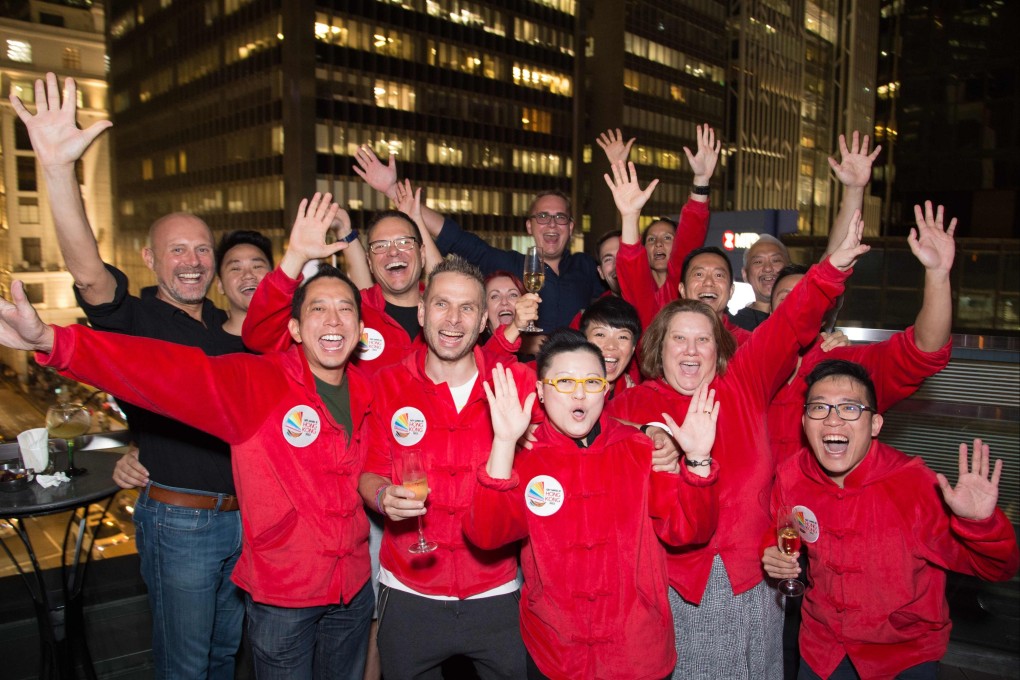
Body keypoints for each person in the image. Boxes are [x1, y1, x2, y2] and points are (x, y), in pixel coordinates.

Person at [0, 225, 379, 679]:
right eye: (318, 309)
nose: (334, 321)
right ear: (295, 327)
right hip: (285, 597)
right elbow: (163, 372)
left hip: (354, 590)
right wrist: (53, 341)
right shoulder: (259, 381)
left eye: (345, 311)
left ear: (360, 330)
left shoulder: (368, 391)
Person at [11, 72, 247, 677]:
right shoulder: (134, 317)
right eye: (177, 250)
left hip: (245, 520)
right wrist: (59, 170)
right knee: (186, 665)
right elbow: (88, 273)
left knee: (224, 658)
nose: (192, 262)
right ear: (149, 258)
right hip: (182, 523)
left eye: (201, 251)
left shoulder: (228, 327)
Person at [606, 212, 869, 678]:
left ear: (719, 346)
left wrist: (833, 269)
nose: (690, 350)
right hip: (682, 585)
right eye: (678, 339)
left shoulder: (743, 382)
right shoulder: (633, 404)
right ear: (658, 348)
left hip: (760, 574)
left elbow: (789, 324)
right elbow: (606, 470)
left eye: (703, 340)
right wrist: (644, 445)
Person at [462, 331, 720, 680]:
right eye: (564, 381)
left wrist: (700, 460)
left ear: (606, 389)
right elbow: (488, 536)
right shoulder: (523, 455)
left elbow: (687, 530)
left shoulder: (641, 449)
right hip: (555, 652)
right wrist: (505, 442)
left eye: (592, 381)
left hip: (637, 651)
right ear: (540, 391)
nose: (580, 393)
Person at [762, 360, 1019, 680]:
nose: (832, 419)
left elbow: (997, 568)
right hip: (821, 650)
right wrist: (773, 554)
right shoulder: (791, 475)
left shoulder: (915, 486)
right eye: (819, 408)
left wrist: (981, 524)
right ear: (804, 422)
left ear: (875, 425)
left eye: (850, 408)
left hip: (902, 657)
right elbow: (779, 527)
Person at [358, 255, 538, 679]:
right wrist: (384, 497)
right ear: (421, 312)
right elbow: (369, 473)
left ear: (483, 323)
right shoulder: (386, 383)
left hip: (497, 590)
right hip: (408, 591)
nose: (453, 319)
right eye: (441, 304)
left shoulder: (516, 383)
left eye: (468, 308)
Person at [767, 201, 955, 465]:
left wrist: (937, 275)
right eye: (785, 299)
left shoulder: (846, 364)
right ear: (771, 314)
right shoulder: (746, 361)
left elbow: (923, 351)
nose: (795, 308)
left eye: (805, 301)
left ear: (822, 316)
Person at [353, 146, 606, 331]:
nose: (551, 223)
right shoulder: (508, 265)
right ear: (529, 226)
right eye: (542, 216)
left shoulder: (587, 268)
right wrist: (391, 189)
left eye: (560, 217)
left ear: (571, 227)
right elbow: (455, 237)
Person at [601, 126, 720, 330]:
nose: (658, 244)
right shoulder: (628, 298)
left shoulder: (683, 290)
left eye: (667, 238)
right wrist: (630, 216)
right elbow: (631, 264)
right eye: (651, 239)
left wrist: (701, 181)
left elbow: (690, 235)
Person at [578, 295, 642, 398]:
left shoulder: (636, 398)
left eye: (622, 337)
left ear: (633, 348)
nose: (611, 345)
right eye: (600, 335)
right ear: (583, 341)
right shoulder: (561, 391)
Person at [214, 229, 275, 336]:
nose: (248, 275)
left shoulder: (297, 337)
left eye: (257, 266)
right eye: (236, 269)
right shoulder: (205, 346)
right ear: (220, 285)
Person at [732, 234, 789, 331]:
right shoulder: (734, 328)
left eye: (775, 260)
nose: (768, 268)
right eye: (758, 262)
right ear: (745, 275)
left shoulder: (805, 320)